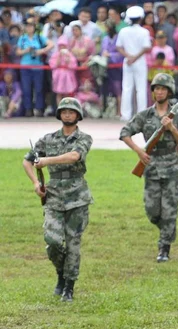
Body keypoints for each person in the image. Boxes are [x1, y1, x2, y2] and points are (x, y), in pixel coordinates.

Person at [21, 97, 93, 302]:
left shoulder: (84, 138)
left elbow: (74, 157)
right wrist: (36, 183)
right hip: (53, 197)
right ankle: (61, 274)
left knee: (73, 244)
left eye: (71, 111)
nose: (68, 114)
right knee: (52, 241)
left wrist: (45, 161)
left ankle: (69, 286)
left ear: (78, 115)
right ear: (59, 115)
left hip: (77, 197)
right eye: (64, 111)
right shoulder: (48, 139)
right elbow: (27, 161)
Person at [119, 73, 178, 262]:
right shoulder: (145, 115)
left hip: (171, 165)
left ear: (169, 91)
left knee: (169, 209)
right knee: (152, 210)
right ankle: (167, 228)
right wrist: (138, 150)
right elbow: (124, 132)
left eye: (163, 89)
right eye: (156, 88)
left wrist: (172, 128)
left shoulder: (177, 115)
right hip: (151, 166)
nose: (159, 92)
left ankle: (164, 248)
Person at [116, 6, 152, 121]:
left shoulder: (123, 31)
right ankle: (141, 114)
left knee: (126, 88)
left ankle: (125, 115)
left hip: (128, 61)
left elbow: (118, 47)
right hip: (139, 61)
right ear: (141, 18)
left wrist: (129, 56)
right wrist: (135, 57)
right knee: (141, 89)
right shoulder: (144, 32)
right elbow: (146, 47)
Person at [16, 18, 53, 117]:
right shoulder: (23, 38)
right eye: (27, 26)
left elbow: (51, 44)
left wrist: (41, 51)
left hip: (38, 66)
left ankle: (39, 108)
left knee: (39, 88)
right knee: (26, 88)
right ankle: (28, 109)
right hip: (25, 66)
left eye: (31, 26)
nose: (29, 28)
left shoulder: (40, 38)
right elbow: (18, 52)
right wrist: (26, 50)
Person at [101, 20, 123, 118]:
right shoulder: (105, 38)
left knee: (118, 89)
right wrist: (104, 54)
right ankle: (105, 111)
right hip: (106, 66)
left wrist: (110, 54)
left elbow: (121, 53)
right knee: (105, 90)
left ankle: (119, 111)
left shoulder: (118, 38)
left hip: (116, 67)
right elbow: (102, 50)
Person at [49, 37, 78, 106]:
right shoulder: (55, 54)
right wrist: (59, 57)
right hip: (58, 76)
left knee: (67, 94)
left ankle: (66, 108)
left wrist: (67, 59)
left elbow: (73, 65)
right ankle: (59, 108)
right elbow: (53, 65)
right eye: (60, 46)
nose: (62, 47)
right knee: (59, 93)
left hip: (67, 76)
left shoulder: (70, 54)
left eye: (63, 46)